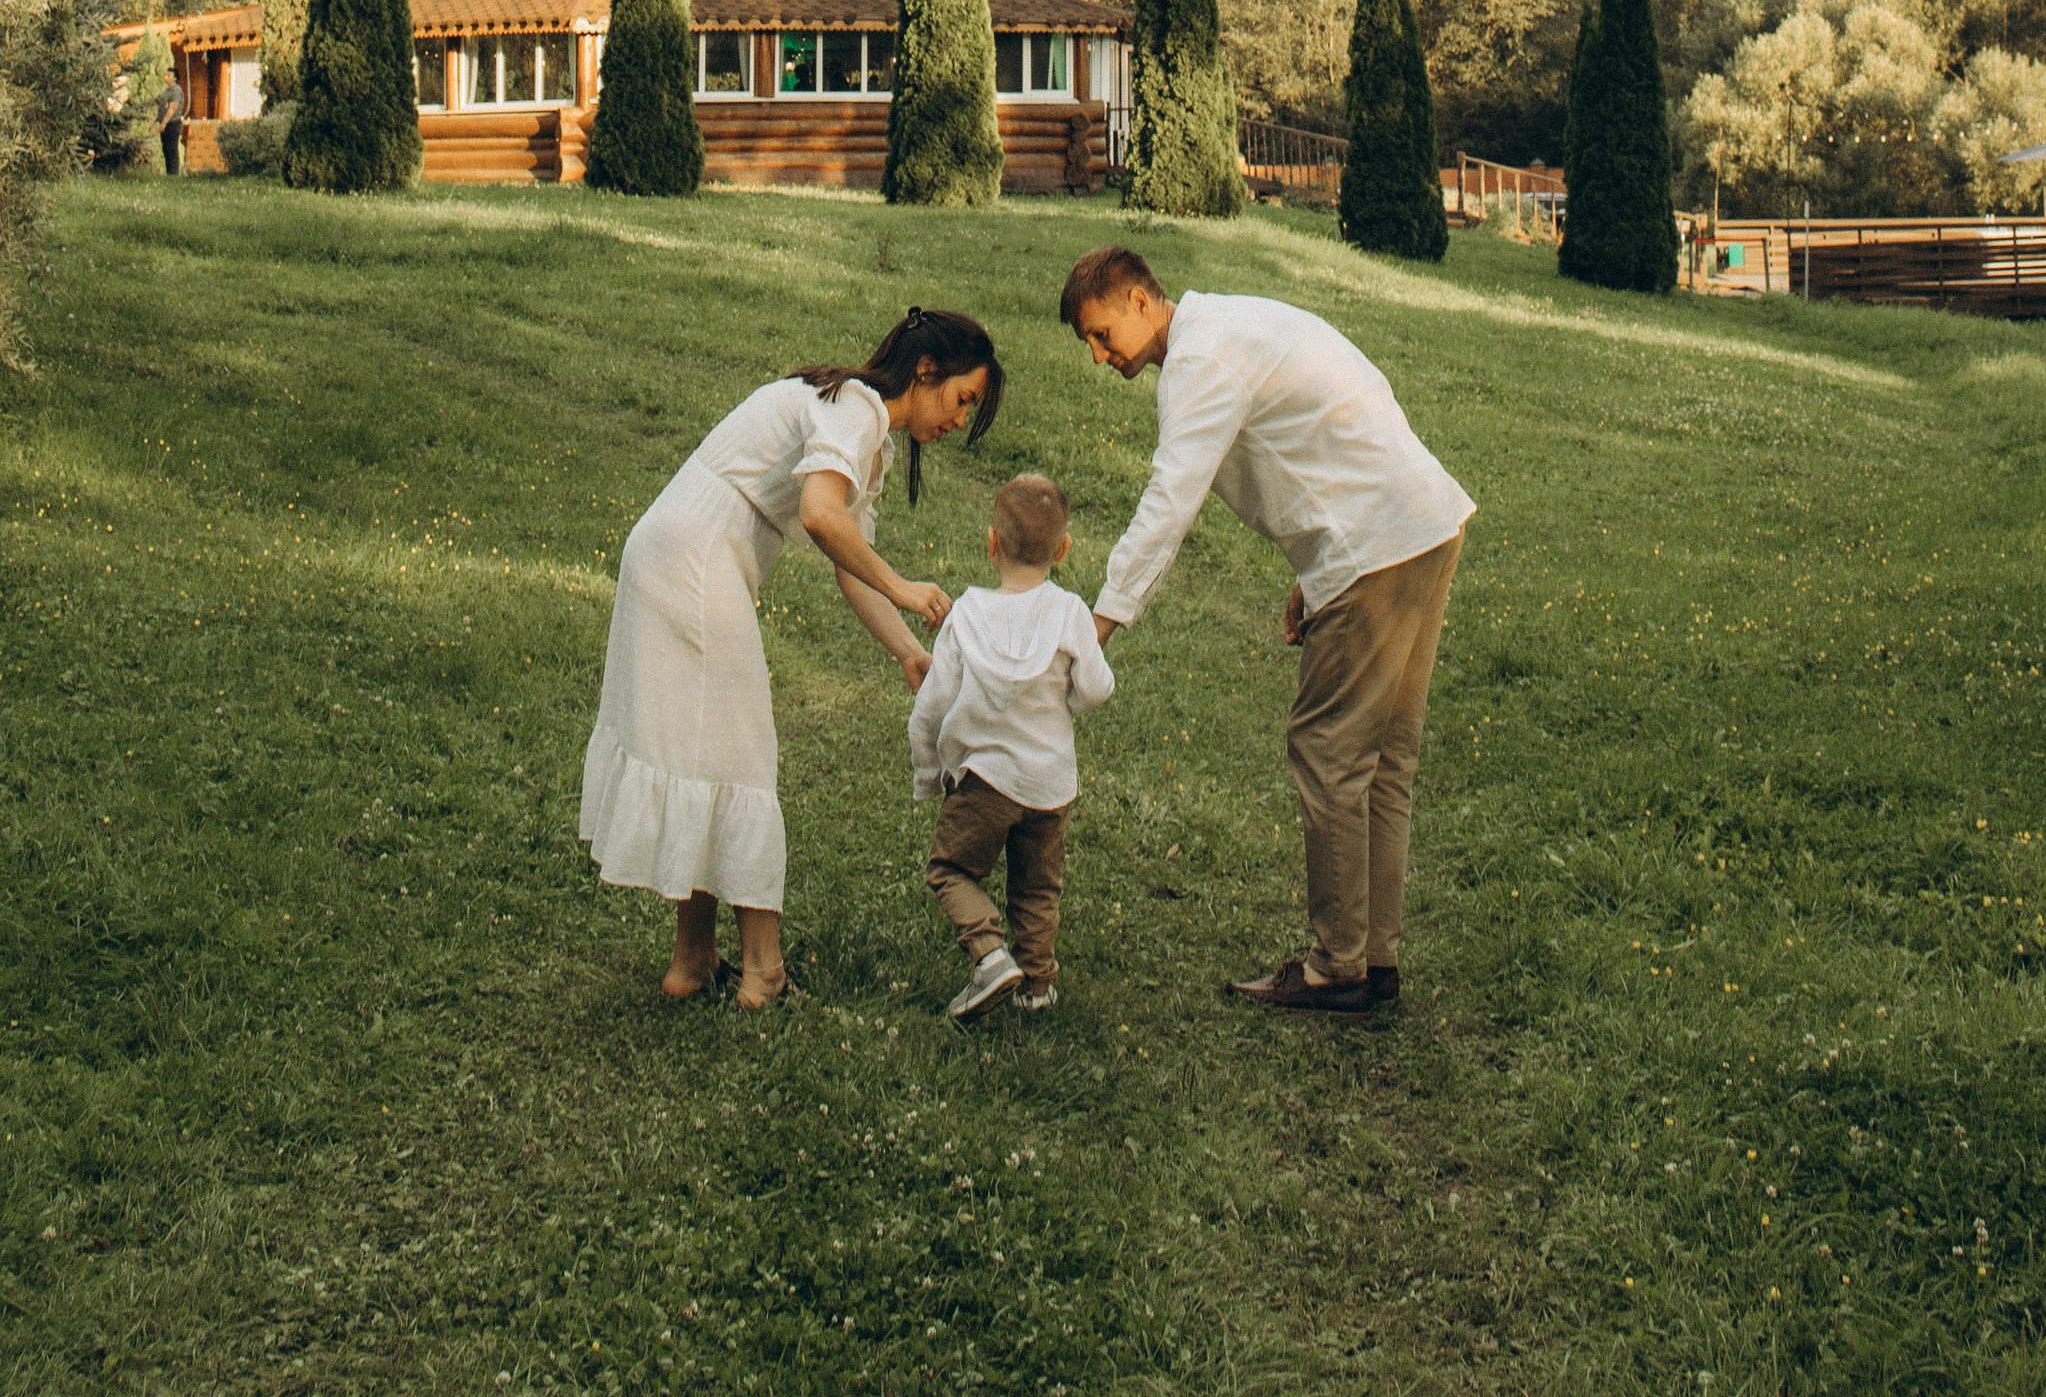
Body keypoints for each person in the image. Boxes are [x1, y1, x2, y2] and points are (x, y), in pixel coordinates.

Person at [1060, 244, 1471, 1021]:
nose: (1097, 354)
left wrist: (1094, 628)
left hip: (1379, 544)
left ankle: (1337, 969)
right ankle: (1372, 962)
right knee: (1381, 762)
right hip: (1420, 526)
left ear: (1142, 301)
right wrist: (1316, 571)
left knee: (1328, 750)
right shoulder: (1235, 324)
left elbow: (1169, 500)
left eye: (1101, 332)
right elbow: (1336, 428)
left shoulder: (1198, 363)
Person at [580, 305, 1004, 1008]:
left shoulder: (849, 415)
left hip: (664, 550)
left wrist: (907, 651)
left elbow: (845, 557)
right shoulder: (859, 409)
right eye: (962, 400)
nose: (959, 422)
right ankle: (764, 973)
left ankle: (693, 962)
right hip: (696, 564)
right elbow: (818, 516)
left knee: (704, 756)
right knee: (741, 758)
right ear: (927, 372)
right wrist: (905, 588)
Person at [909, 469, 1114, 1023]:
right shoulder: (1071, 612)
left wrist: (928, 774)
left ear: (991, 542)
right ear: (1064, 550)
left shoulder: (968, 614)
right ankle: (1037, 985)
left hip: (985, 781)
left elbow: (931, 706)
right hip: (1050, 785)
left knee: (951, 870)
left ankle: (990, 955)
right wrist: (1067, 701)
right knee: (1037, 885)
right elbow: (1098, 687)